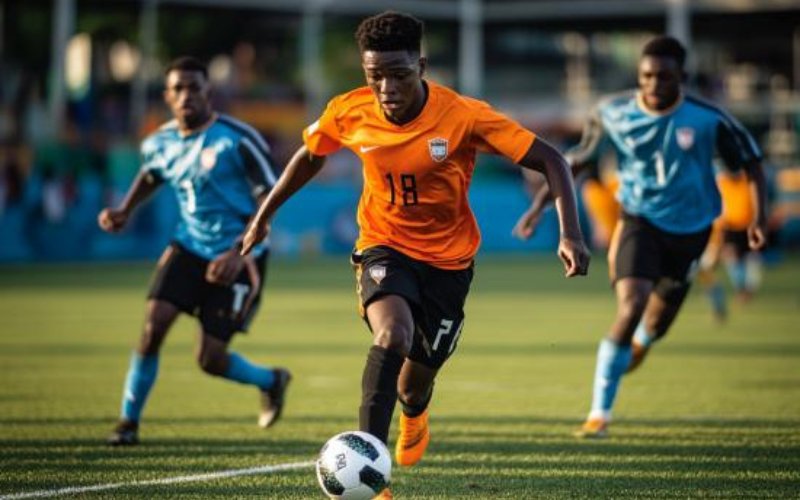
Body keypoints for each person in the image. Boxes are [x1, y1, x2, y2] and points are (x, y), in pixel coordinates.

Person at [241, 11, 590, 498]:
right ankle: (372, 470)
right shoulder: (349, 110)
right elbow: (311, 154)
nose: (386, 88)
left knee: (413, 385)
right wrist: (264, 214)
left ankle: (415, 412)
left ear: (421, 66)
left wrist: (570, 233)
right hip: (383, 245)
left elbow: (552, 160)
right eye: (375, 75)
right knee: (392, 335)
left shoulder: (464, 116)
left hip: (449, 263)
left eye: (398, 74)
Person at [514, 36, 768, 438]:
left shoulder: (709, 119)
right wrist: (538, 207)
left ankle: (644, 340)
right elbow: (576, 162)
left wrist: (758, 218)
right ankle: (599, 414)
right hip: (638, 221)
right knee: (631, 305)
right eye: (647, 76)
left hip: (692, 230)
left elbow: (752, 162)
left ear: (682, 77)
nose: (653, 84)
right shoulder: (613, 113)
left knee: (656, 325)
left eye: (664, 76)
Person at [98, 56, 291, 446]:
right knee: (152, 328)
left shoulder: (237, 139)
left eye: (194, 88)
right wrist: (125, 209)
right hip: (188, 246)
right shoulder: (159, 141)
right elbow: (151, 173)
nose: (186, 95)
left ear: (208, 92)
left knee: (210, 359)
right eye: (178, 89)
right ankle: (127, 423)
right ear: (167, 96)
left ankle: (272, 380)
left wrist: (238, 252)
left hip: (241, 255)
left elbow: (269, 199)